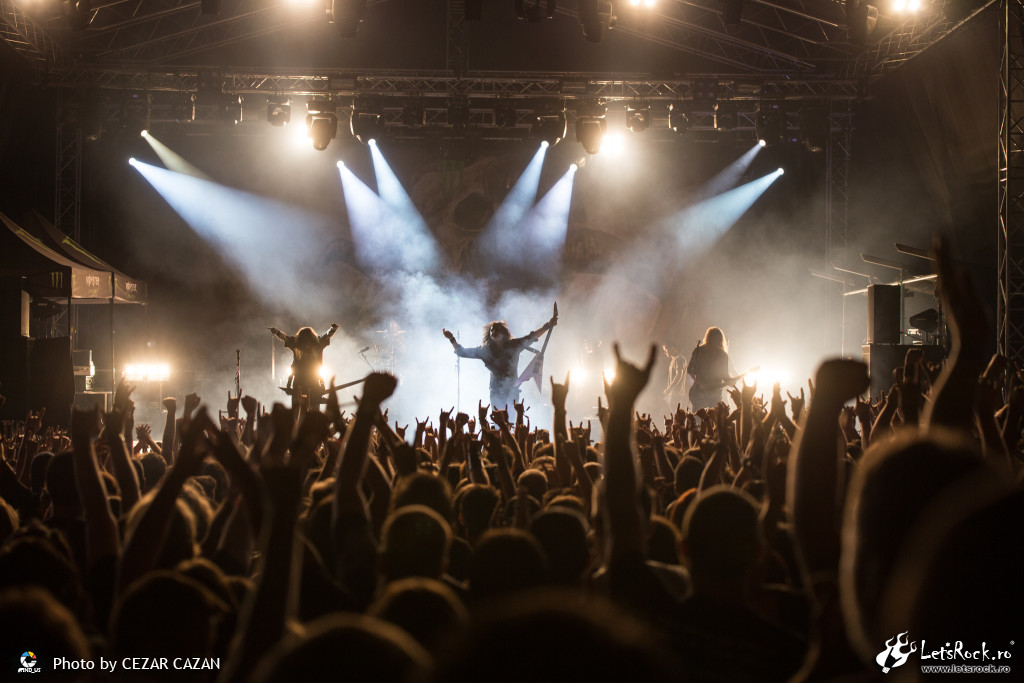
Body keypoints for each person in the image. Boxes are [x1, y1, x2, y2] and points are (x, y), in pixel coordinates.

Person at [442, 307, 557, 409]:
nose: (493, 332)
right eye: (492, 330)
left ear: (503, 333)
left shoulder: (514, 345)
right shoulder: (485, 350)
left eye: (497, 330)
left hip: (512, 390)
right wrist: (452, 339)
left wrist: (547, 326)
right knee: (498, 421)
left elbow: (531, 338)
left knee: (511, 420)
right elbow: (462, 352)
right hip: (496, 391)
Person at [269, 323, 339, 404]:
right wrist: (333, 329)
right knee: (311, 410)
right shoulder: (316, 342)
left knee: (300, 409)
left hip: (303, 383)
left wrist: (277, 332)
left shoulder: (298, 342)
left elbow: (285, 337)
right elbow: (327, 335)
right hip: (309, 383)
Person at [686, 326, 734, 410]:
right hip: (699, 393)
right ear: (709, 338)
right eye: (713, 339)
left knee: (714, 419)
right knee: (698, 418)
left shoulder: (722, 355)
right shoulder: (699, 351)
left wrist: (730, 381)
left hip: (715, 393)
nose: (715, 342)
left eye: (717, 340)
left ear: (720, 341)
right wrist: (699, 383)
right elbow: (690, 369)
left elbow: (724, 375)